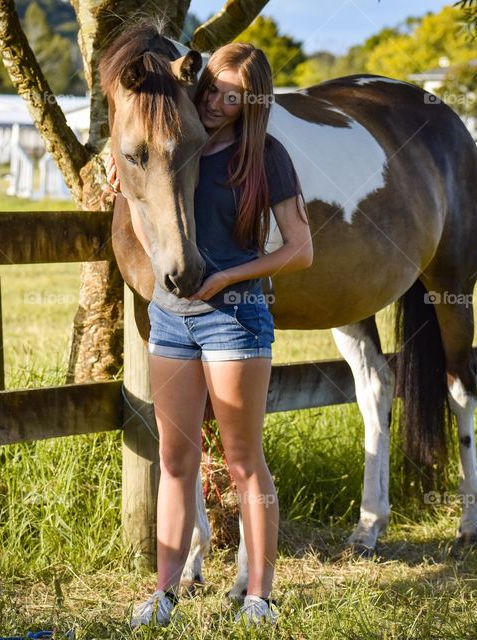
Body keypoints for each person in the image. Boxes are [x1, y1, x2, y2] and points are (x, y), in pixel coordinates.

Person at [106, 42, 312, 628]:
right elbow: (138, 194)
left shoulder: (265, 156)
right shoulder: (171, 136)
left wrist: (226, 275)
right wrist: (157, 276)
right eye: (214, 89)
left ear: (254, 103)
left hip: (235, 317)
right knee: (175, 461)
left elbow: (301, 249)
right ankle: (165, 592)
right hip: (171, 317)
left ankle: (258, 598)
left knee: (244, 461)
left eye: (235, 97)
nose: (219, 104)